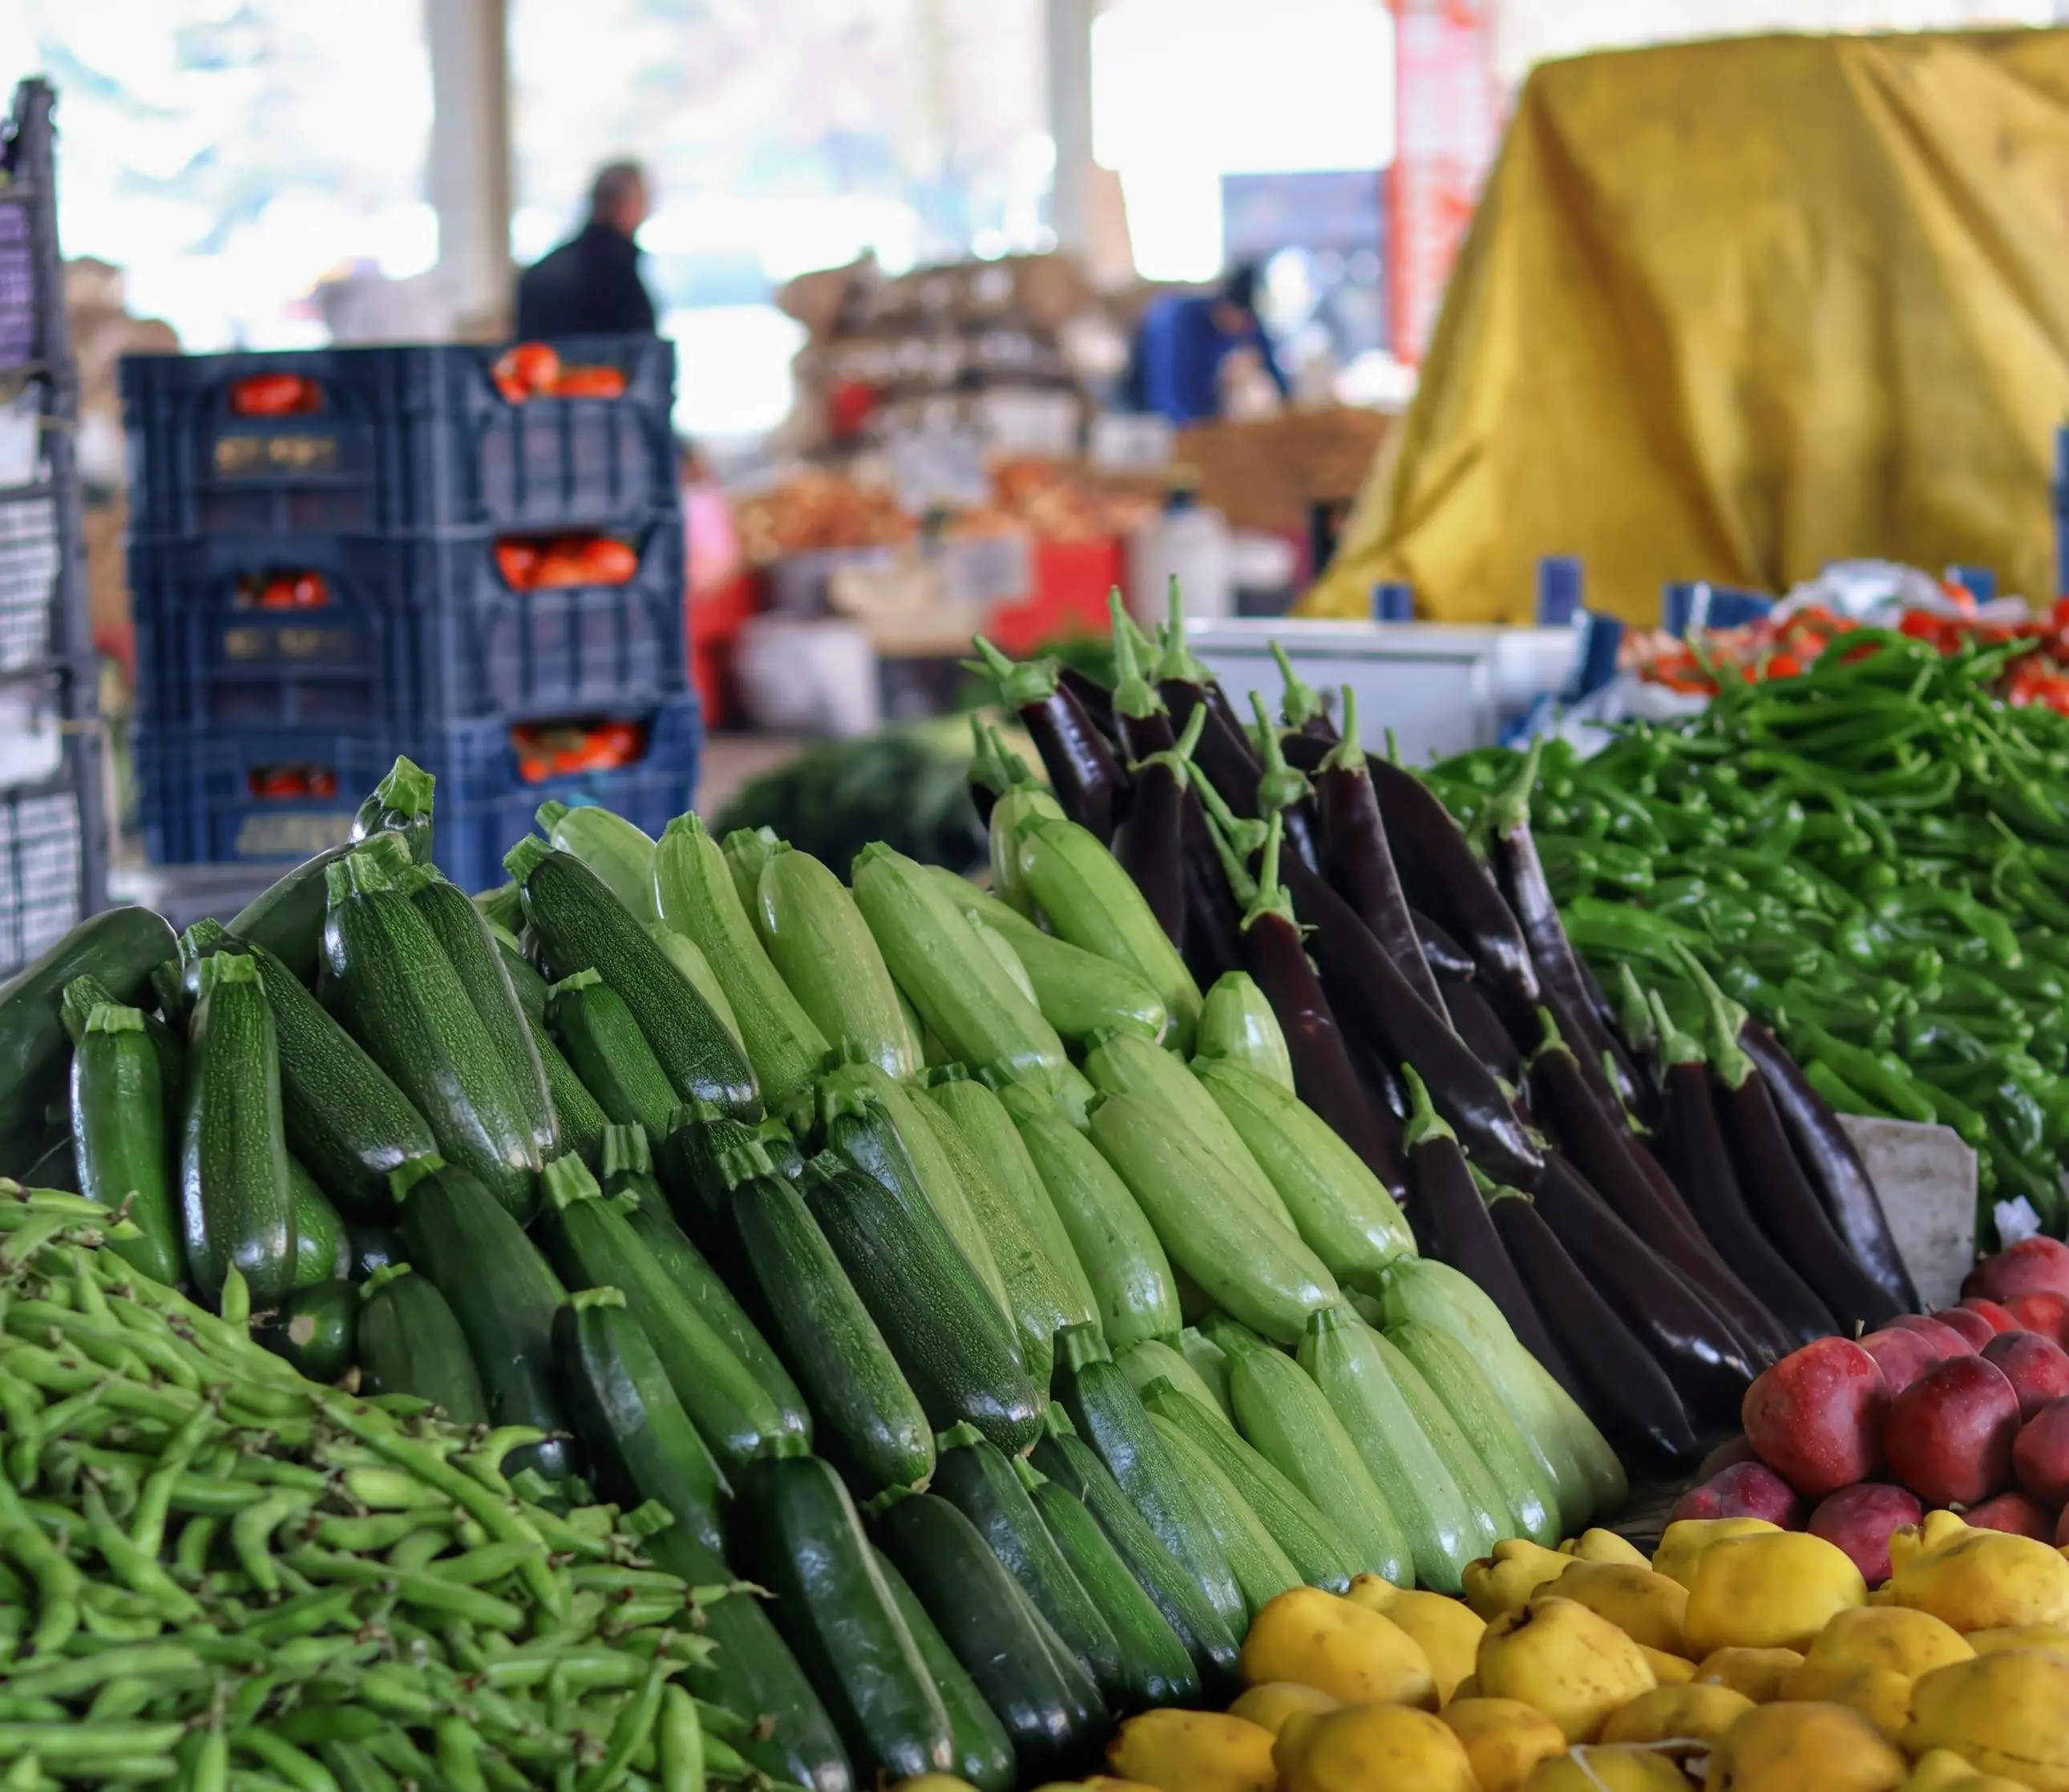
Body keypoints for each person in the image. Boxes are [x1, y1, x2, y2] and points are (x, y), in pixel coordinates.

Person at [1125, 263, 1289, 425]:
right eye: (1244, 323)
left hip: (1206, 418)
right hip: (1148, 414)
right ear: (1228, 307)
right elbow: (1164, 396)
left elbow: (1275, 374)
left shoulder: (1247, 325)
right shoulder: (1178, 321)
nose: (1246, 332)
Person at [515, 161, 657, 338]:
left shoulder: (543, 269)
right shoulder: (617, 273)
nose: (647, 211)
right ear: (620, 205)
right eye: (643, 201)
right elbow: (641, 348)